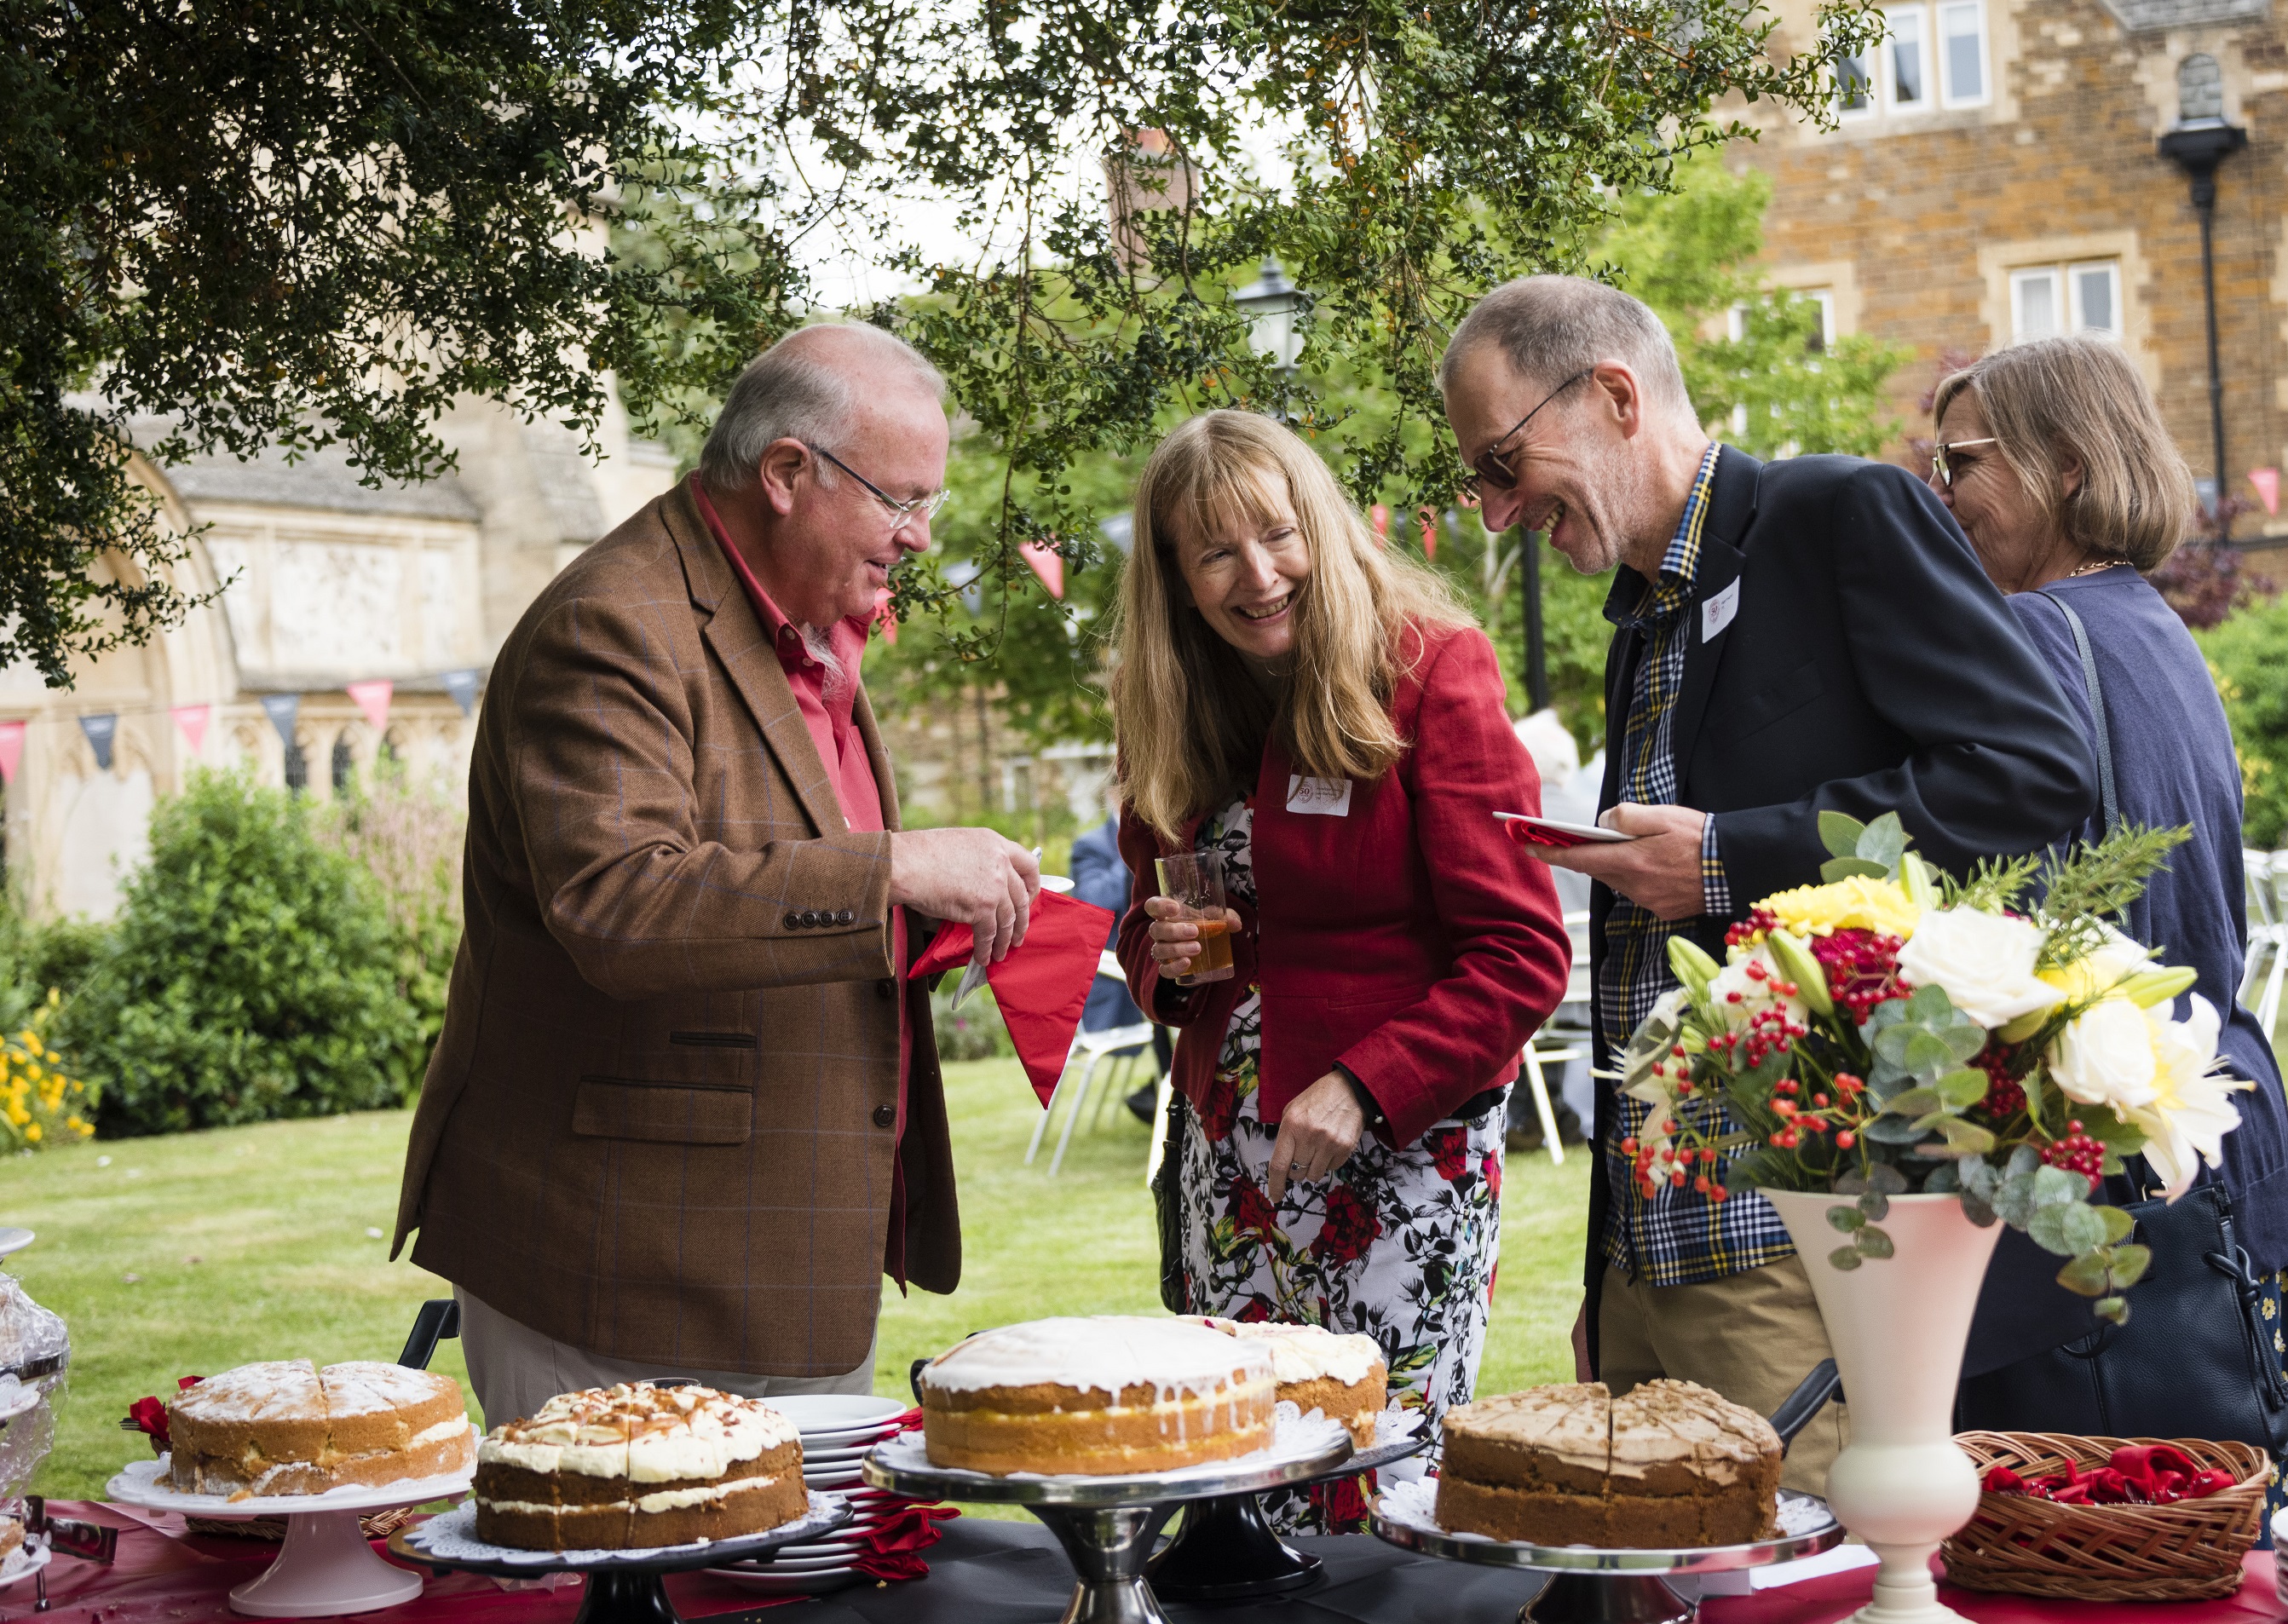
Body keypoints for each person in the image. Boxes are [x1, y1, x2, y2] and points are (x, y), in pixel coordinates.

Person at [1436, 275, 2098, 1494]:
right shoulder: (1640, 618)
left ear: (1614, 395)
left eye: (1498, 460)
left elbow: (2031, 768)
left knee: (1806, 1579)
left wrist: (1730, 856)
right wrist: (1608, 1276)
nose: (1489, 510)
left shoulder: (1838, 512)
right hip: (1651, 1239)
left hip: (1800, 1225)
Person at [391, 323, 1042, 1429]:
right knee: (637, 1597)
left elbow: (777, 883)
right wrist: (892, 868)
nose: (920, 536)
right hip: (623, 1275)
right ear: (788, 472)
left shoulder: (805, 625)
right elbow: (618, 903)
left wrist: (919, 920)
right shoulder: (612, 624)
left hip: (781, 1261)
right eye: (901, 499)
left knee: (796, 1600)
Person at [1112, 410, 1571, 1526]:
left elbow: (1522, 952)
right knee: (1242, 1466)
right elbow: (1143, 920)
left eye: (1276, 533)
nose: (1257, 575)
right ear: (1176, 577)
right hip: (1232, 1163)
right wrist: (1159, 956)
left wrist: (1366, 1081)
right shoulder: (1169, 695)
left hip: (1402, 1157)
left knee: (1378, 1481)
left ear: (1316, 523)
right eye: (1214, 550)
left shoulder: (1426, 667)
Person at [1924, 335, 2288, 1507]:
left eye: (1964, 463)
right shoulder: (2153, 629)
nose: (1943, 495)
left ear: (2062, 464)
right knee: (2214, 1536)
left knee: (2090, 1548)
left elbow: (2010, 933)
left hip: (2097, 1168)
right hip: (2213, 1124)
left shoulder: (2033, 640)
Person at [1069, 790, 1173, 1123]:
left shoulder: (1169, 834)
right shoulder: (1092, 845)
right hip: (1117, 987)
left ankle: (1170, 1094)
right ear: (1118, 793)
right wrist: (1136, 852)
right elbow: (1093, 899)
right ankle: (1168, 1097)